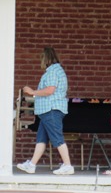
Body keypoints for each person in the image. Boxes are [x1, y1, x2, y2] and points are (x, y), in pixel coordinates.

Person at [17, 47, 75, 175]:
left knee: (57, 138)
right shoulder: (56, 70)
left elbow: (50, 90)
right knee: (41, 139)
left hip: (51, 109)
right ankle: (32, 165)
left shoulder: (52, 72)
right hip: (48, 111)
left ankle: (68, 165)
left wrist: (32, 92)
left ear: (45, 59)